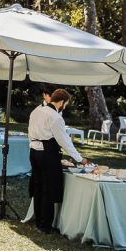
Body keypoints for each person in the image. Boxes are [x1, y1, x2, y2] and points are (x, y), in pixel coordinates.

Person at [27, 88, 92, 234]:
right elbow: (65, 142)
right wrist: (80, 159)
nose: (65, 107)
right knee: (48, 189)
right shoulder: (55, 118)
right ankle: (44, 226)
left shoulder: (36, 111)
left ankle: (38, 221)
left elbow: (30, 133)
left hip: (34, 151)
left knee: (38, 186)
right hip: (47, 154)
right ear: (61, 102)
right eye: (66, 104)